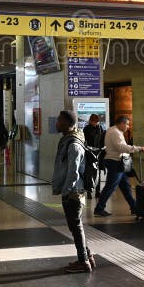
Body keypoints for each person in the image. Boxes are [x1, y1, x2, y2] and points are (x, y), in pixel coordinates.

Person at [52, 110, 96, 274]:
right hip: (72, 190)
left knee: (76, 227)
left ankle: (83, 261)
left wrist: (66, 191)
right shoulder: (67, 140)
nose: (56, 123)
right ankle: (87, 256)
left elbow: (73, 172)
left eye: (58, 121)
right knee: (74, 226)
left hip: (73, 192)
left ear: (66, 123)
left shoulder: (73, 144)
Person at [93, 116, 144, 217]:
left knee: (125, 187)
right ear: (121, 123)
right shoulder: (115, 132)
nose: (127, 126)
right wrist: (138, 148)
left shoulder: (116, 131)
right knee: (110, 186)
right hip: (115, 162)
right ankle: (99, 208)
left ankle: (134, 207)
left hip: (117, 162)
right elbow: (121, 147)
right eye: (126, 124)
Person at [82, 113, 105, 199]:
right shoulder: (86, 129)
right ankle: (89, 191)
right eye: (94, 122)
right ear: (90, 121)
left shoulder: (100, 128)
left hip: (98, 153)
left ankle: (98, 191)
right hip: (89, 153)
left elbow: (102, 139)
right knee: (89, 173)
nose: (96, 123)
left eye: (97, 122)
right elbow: (84, 142)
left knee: (98, 172)